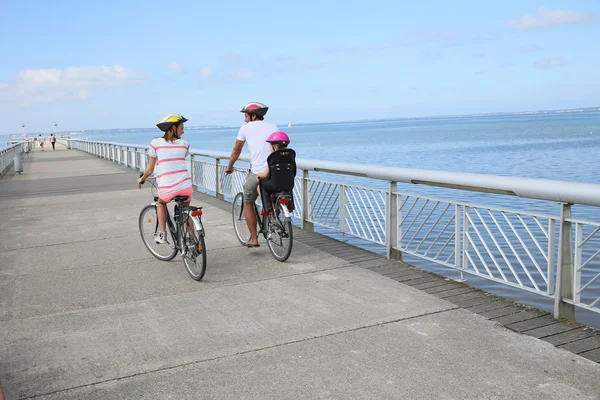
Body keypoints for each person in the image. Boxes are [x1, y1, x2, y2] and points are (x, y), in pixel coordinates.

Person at [225, 102, 278, 248]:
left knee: (248, 201)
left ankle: (254, 238)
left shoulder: (245, 128)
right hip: (274, 171)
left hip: (257, 172)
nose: (244, 119)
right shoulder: (273, 126)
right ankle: (275, 213)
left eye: (246, 116)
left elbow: (236, 150)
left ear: (253, 116)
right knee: (274, 193)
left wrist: (229, 166)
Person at [137, 114, 192, 244]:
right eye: (181, 128)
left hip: (167, 188)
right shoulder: (185, 144)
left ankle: (162, 234)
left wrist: (142, 179)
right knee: (186, 213)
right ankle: (194, 240)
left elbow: (150, 170)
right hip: (186, 187)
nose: (183, 131)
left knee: (161, 203)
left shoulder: (155, 143)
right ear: (173, 128)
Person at [256, 131, 296, 214]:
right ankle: (290, 205)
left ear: (275, 146)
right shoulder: (290, 156)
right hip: (289, 184)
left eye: (270, 145)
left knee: (260, 185)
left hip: (273, 185)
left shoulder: (273, 158)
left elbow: (265, 174)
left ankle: (268, 207)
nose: (270, 147)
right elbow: (294, 172)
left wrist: (258, 175)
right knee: (286, 186)